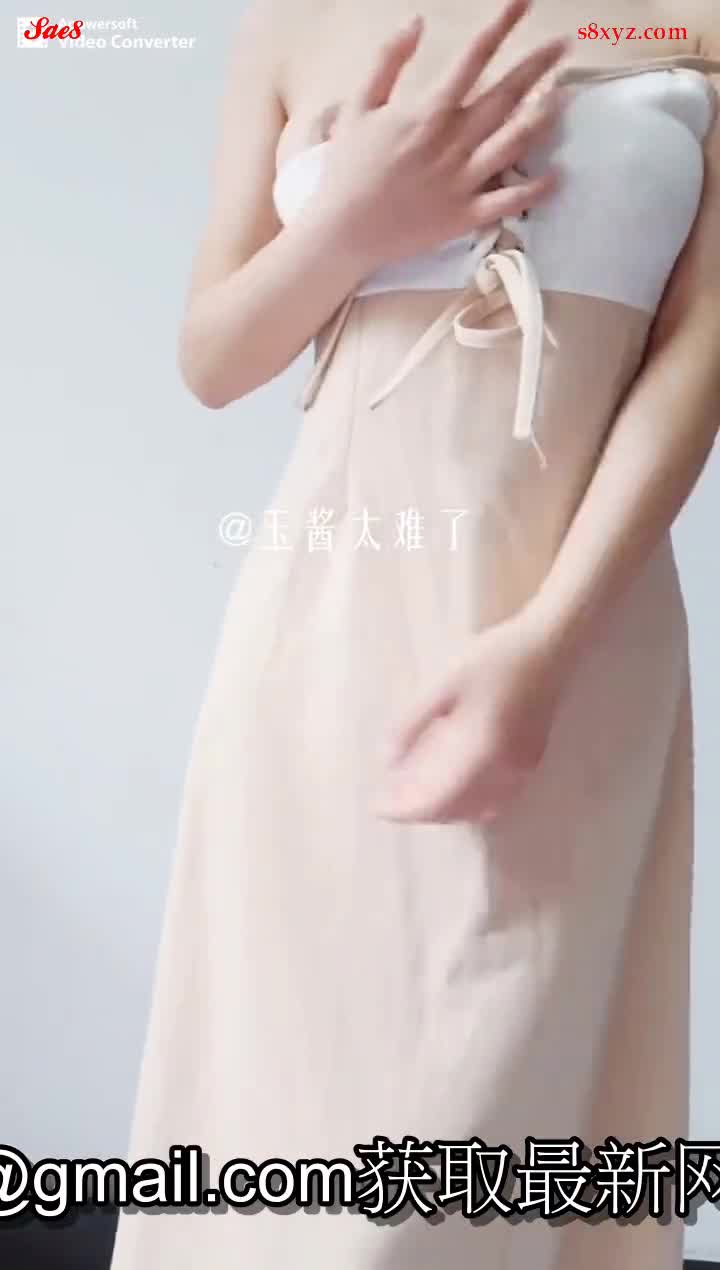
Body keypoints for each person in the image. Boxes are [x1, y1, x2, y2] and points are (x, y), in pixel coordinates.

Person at [109, 0, 720, 1265]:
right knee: (287, 1125)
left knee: (484, 1137)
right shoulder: (291, 27)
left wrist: (545, 647)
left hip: (572, 641)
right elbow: (214, 358)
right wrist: (352, 223)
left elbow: (700, 356)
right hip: (320, 637)